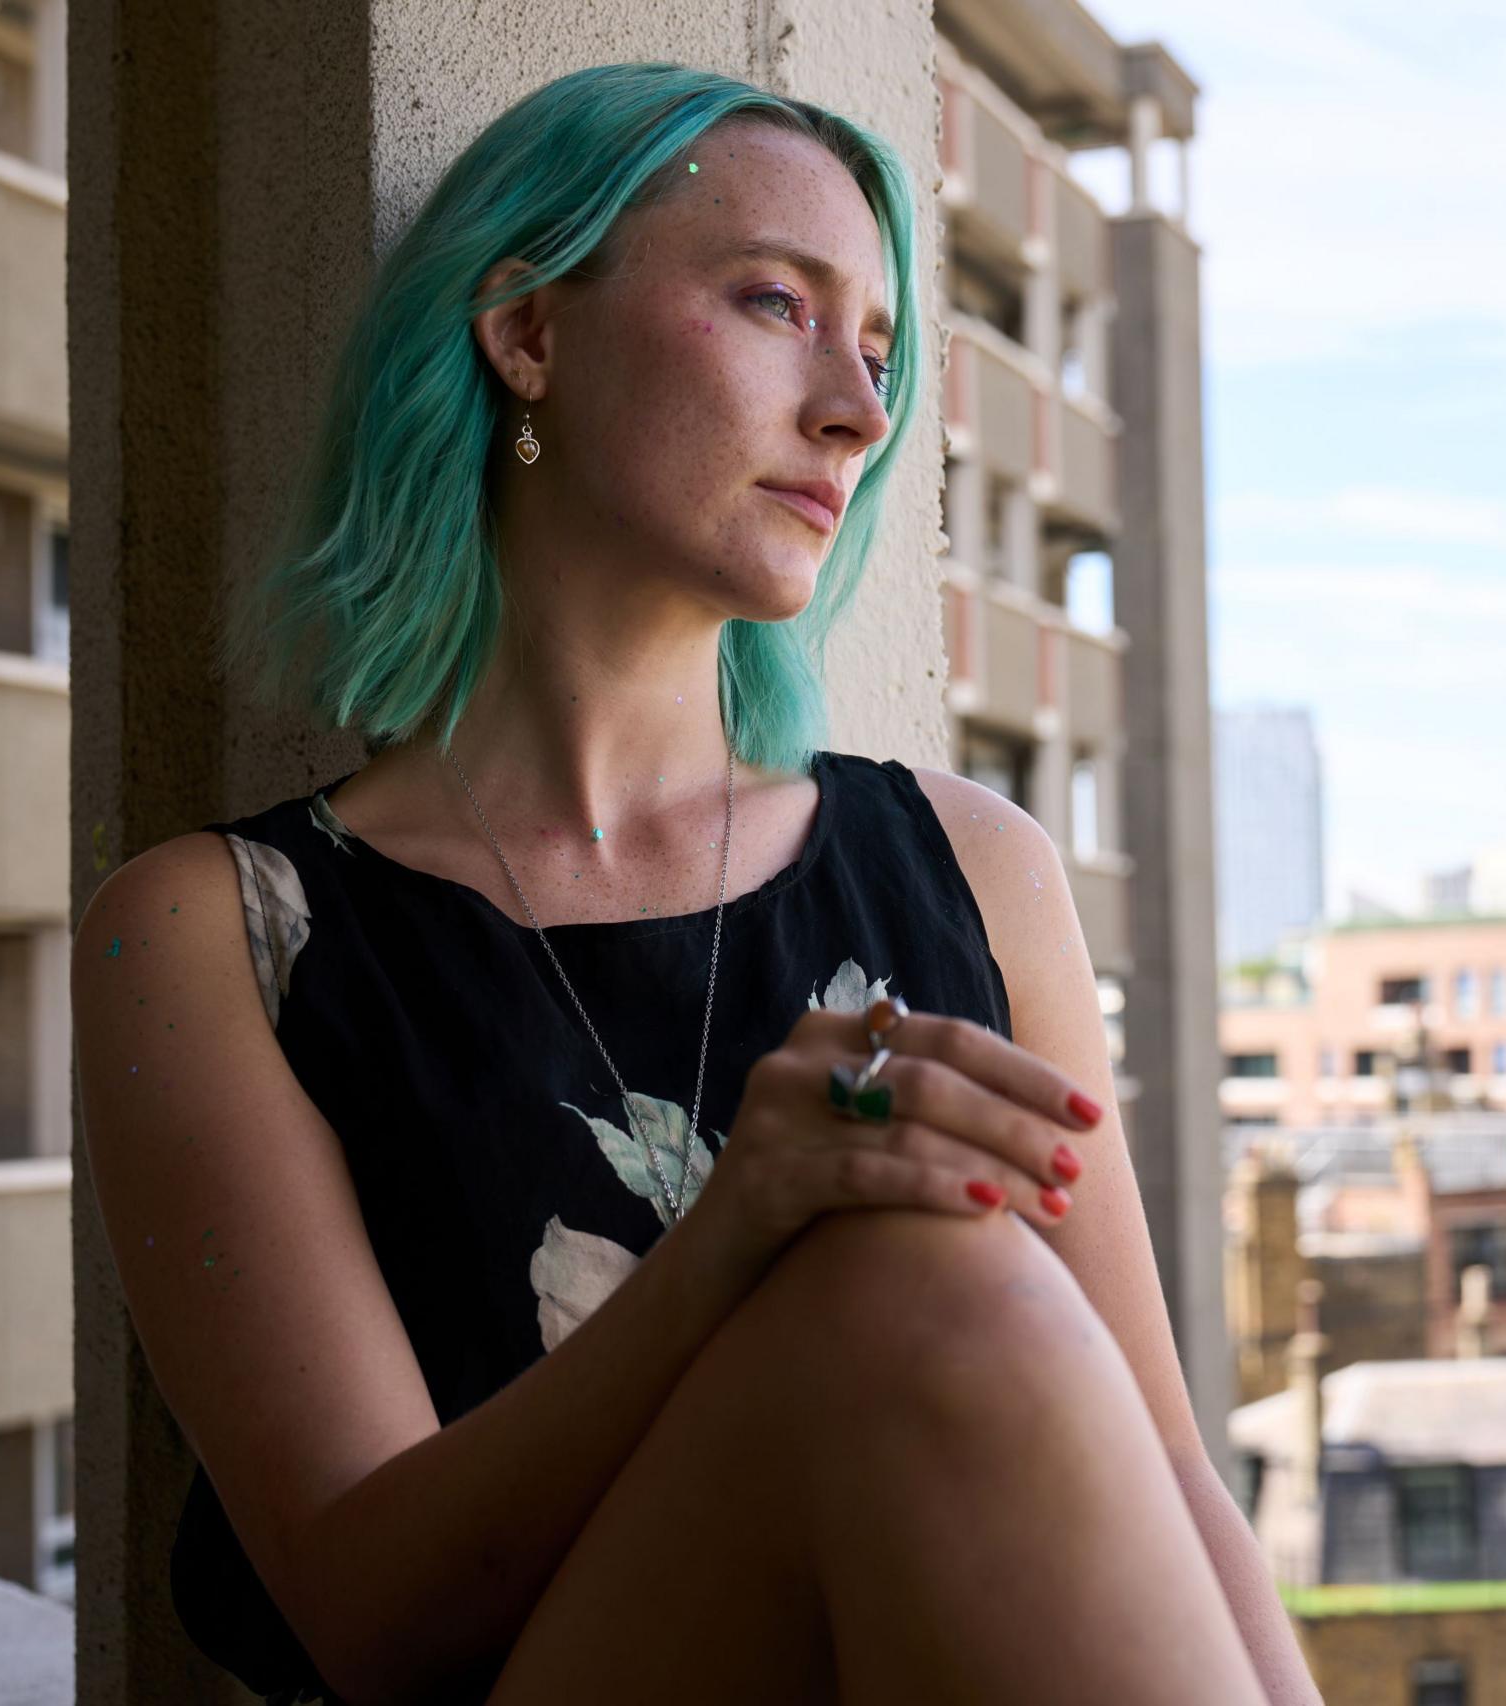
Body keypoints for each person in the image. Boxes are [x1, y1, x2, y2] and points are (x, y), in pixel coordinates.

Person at [73, 62, 1315, 1706]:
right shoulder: (216, 934)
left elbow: (1165, 1473)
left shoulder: (973, 866)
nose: (859, 412)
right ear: (527, 328)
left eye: (875, 350)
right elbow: (363, 1611)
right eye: (773, 304)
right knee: (904, 1260)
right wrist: (746, 1231)